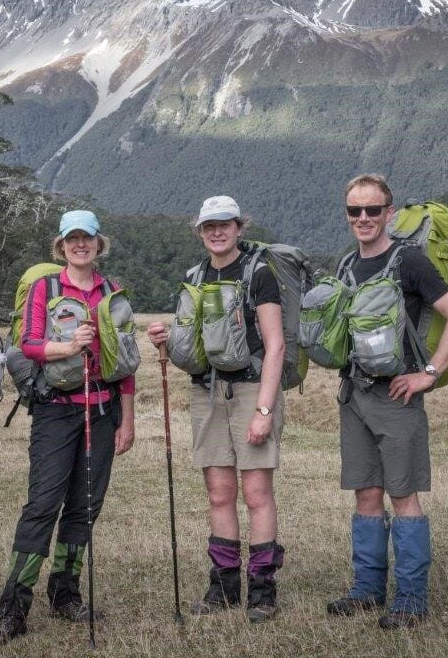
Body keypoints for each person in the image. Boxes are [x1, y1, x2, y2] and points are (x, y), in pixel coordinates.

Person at [325, 174, 448, 629]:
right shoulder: (347, 264)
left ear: (389, 212)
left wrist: (427, 374)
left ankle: (410, 598)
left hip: (396, 395)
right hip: (355, 396)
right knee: (366, 494)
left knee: (402, 495)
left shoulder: (409, 261)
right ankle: (367, 591)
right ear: (348, 215)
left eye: (373, 210)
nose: (364, 218)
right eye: (356, 211)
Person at [0, 209, 136, 646]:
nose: (80, 245)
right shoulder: (44, 289)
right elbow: (27, 344)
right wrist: (68, 346)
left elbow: (125, 362)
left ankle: (65, 593)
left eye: (87, 238)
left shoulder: (112, 292)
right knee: (43, 505)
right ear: (61, 245)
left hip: (103, 410)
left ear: (98, 243)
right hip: (56, 410)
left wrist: (128, 419)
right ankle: (13, 607)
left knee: (86, 505)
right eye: (72, 239)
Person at [148, 195, 287, 624]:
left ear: (239, 227)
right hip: (207, 392)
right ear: (200, 231)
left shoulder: (259, 273)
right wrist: (165, 340)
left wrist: (264, 410)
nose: (217, 232)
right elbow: (195, 343)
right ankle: (223, 586)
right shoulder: (195, 276)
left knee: (256, 493)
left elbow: (276, 343)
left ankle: (262, 590)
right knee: (219, 492)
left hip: (251, 390)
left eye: (225, 224)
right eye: (209, 226)